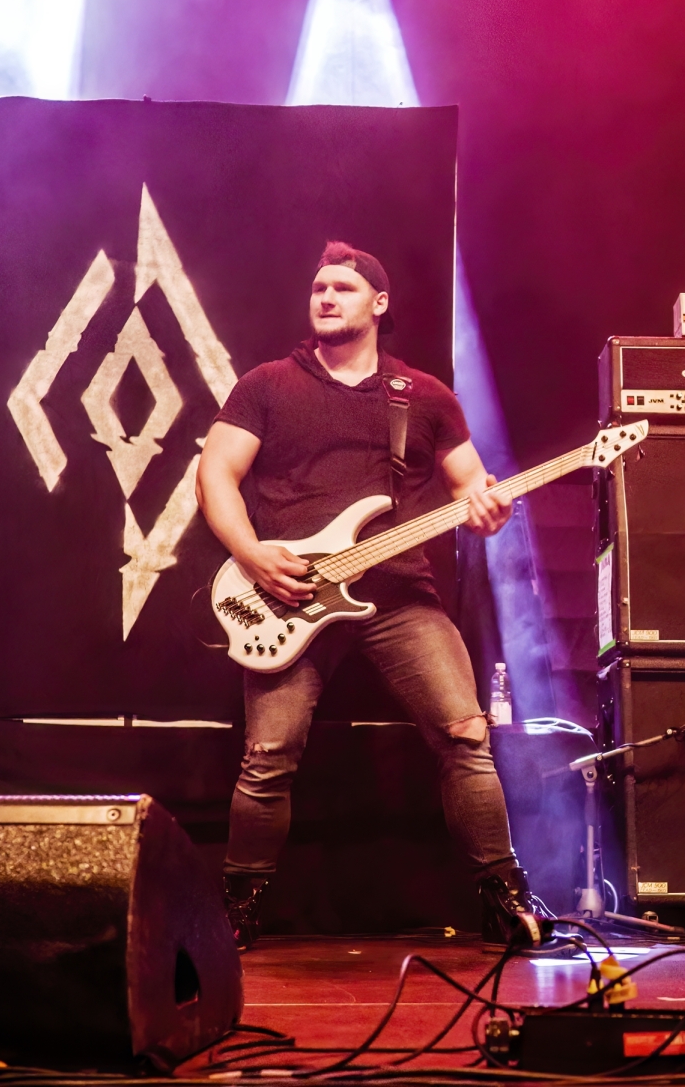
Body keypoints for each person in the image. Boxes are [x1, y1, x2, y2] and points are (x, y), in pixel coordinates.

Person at [196, 241, 553, 950]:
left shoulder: (422, 396)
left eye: (343, 288)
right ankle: (237, 907)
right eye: (318, 288)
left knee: (465, 734)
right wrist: (251, 554)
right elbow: (215, 475)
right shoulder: (266, 385)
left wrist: (490, 511)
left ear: (379, 304)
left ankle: (504, 898)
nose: (326, 297)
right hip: (288, 592)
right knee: (269, 755)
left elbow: (473, 489)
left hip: (397, 594)